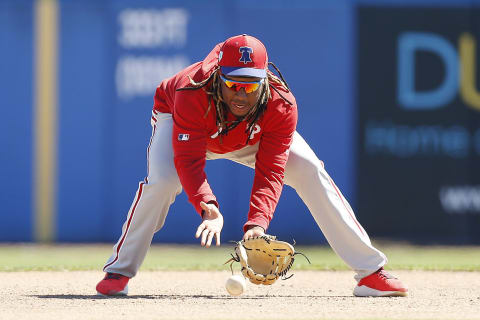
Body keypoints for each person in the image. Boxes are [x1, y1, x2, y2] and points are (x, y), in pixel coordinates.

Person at [96, 34, 407, 297]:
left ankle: (370, 273)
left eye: (250, 85)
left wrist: (257, 225)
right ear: (218, 76)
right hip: (182, 122)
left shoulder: (280, 105)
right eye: (233, 83)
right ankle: (119, 271)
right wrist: (207, 205)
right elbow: (189, 160)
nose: (240, 93)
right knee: (162, 181)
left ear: (264, 80)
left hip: (250, 134)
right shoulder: (191, 92)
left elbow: (271, 170)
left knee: (308, 168)